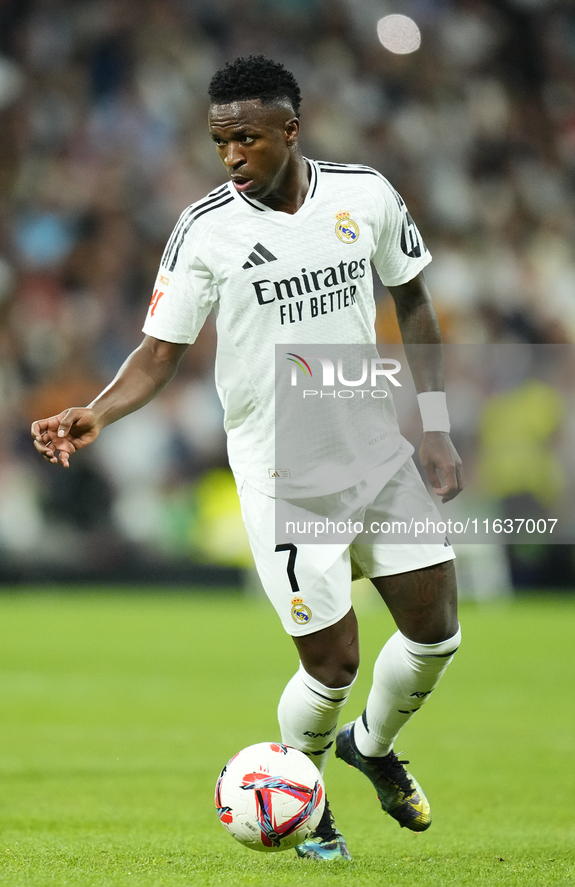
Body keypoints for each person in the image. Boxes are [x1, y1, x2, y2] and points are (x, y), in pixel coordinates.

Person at [31, 55, 464, 861]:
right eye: (219, 141)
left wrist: (433, 427)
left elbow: (412, 297)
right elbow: (157, 354)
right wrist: (97, 409)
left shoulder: (363, 194)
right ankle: (310, 806)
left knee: (437, 634)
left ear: (289, 132)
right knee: (332, 662)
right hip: (281, 471)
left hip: (376, 451)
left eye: (247, 139)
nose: (231, 156)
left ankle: (369, 747)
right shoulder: (206, 231)